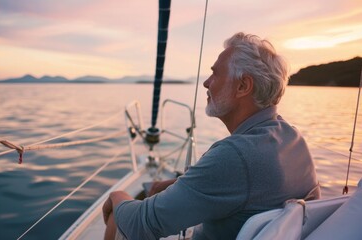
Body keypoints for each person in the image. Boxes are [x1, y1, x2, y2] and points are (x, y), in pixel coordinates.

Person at [102, 32, 320, 240]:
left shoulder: (234, 155)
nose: (206, 83)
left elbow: (140, 225)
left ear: (243, 86)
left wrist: (117, 196)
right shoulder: (293, 139)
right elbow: (249, 186)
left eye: (215, 73)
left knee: (119, 217)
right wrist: (177, 183)